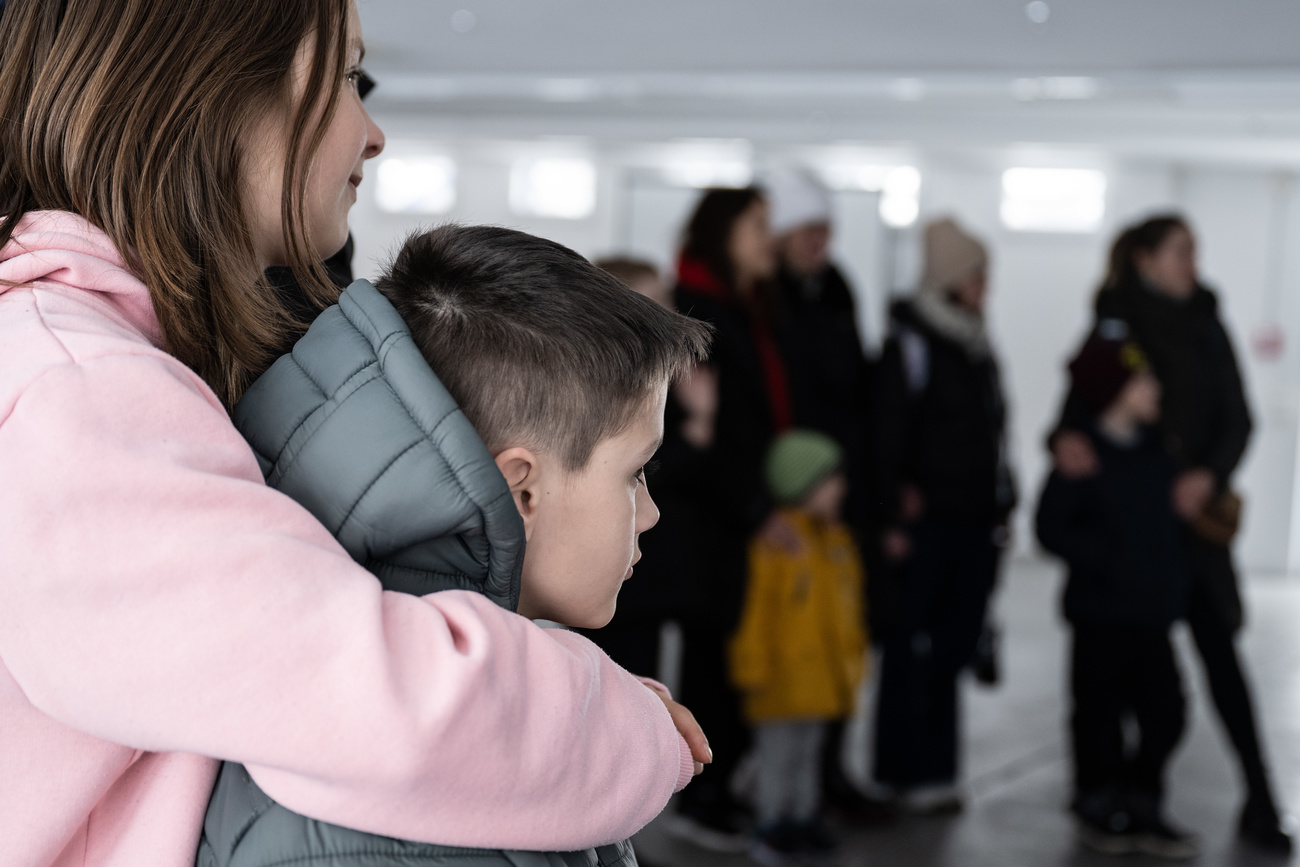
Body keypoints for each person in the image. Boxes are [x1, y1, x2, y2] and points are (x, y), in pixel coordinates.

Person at [0, 2, 703, 864]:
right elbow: (367, 700)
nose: (372, 134)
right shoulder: (72, 386)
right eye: (343, 79)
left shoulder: (84, 358)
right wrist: (625, 724)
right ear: (221, 93)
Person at [202, 225, 714, 866]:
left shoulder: (467, 714)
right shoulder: (376, 829)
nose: (650, 515)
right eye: (635, 473)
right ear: (521, 493)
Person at [1049, 215, 1291, 854]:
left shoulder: (1209, 327)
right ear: (1144, 260)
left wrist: (1206, 477)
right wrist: (1063, 443)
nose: (1194, 262)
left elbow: (1239, 417)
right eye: (1181, 251)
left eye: (1195, 251)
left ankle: (1261, 798)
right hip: (1130, 536)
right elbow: (1080, 410)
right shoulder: (1113, 328)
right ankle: (1119, 797)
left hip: (1194, 532)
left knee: (1222, 666)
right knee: (1122, 685)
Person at [870, 216, 1016, 812]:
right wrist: (892, 518)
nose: (986, 286)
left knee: (953, 648)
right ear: (952, 279)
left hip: (973, 524)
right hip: (925, 528)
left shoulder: (974, 344)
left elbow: (992, 435)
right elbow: (884, 438)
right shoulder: (909, 347)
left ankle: (938, 772)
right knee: (912, 650)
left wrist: (1005, 502)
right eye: (978, 275)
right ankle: (903, 773)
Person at [1036, 325, 1198, 860]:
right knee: (1098, 715)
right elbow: (1050, 527)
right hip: (1100, 614)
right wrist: (1106, 560)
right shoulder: (1082, 456)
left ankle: (1142, 799)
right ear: (1115, 391)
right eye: (1145, 380)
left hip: (1152, 616)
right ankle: (1098, 803)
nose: (1155, 389)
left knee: (1167, 713)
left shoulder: (1158, 452)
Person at [663, 186, 789, 849]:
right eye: (759, 225)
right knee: (711, 659)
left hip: (736, 513)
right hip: (707, 519)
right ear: (723, 233)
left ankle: (718, 781)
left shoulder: (750, 307)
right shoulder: (701, 313)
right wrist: (753, 506)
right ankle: (700, 791)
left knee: (729, 654)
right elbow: (704, 433)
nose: (772, 236)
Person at [764, 167, 877, 815]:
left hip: (838, 481)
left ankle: (829, 769)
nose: (819, 243)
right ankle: (775, 785)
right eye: (807, 230)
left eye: (826, 231)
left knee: (840, 629)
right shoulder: (769, 296)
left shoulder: (835, 287)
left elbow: (852, 379)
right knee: (791, 630)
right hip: (794, 482)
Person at [729, 430, 869, 865]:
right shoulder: (775, 547)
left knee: (809, 755)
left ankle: (803, 817)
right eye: (832, 479)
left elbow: (848, 615)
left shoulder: (838, 542)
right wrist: (751, 666)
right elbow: (755, 614)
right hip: (780, 681)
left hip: (822, 681)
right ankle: (771, 823)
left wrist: (852, 666)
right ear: (804, 486)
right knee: (778, 757)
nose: (842, 487)